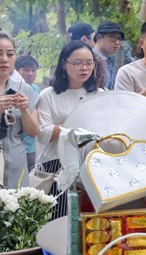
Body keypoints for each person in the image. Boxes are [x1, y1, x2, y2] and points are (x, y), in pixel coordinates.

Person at [35, 41, 103, 218]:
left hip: (92, 165)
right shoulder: (49, 95)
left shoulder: (100, 95)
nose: (84, 68)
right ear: (64, 64)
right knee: (58, 220)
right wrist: (76, 125)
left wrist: (65, 126)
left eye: (89, 63)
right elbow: (43, 133)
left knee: (89, 221)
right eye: (78, 63)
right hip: (57, 166)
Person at [0, 31, 40, 189]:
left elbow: (33, 131)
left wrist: (24, 110)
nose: (4, 59)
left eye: (10, 54)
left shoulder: (25, 90)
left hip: (17, 170)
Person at [16, 54, 41, 172]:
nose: (30, 73)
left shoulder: (36, 89)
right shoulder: (12, 89)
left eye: (33, 70)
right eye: (26, 70)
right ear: (16, 71)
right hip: (16, 144)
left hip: (31, 146)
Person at [92, 21, 124, 90]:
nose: (117, 43)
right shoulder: (90, 59)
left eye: (119, 39)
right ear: (98, 37)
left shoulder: (109, 60)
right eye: (113, 38)